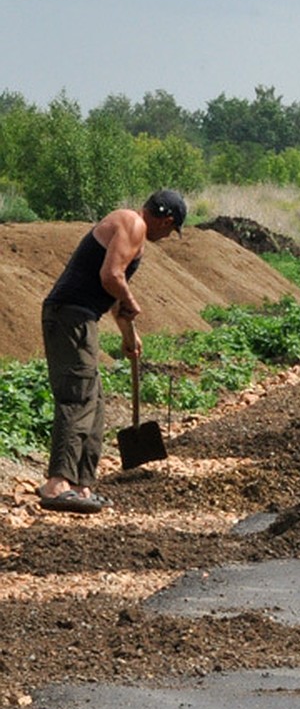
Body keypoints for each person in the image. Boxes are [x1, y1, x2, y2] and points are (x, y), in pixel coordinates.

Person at [38, 189, 186, 514]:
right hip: (68, 315)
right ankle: (57, 483)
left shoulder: (137, 235)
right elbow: (111, 276)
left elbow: (117, 300)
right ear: (167, 220)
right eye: (171, 229)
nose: (168, 235)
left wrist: (129, 335)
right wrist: (132, 300)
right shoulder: (132, 223)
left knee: (95, 401)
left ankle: (81, 485)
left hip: (81, 316)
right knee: (78, 397)